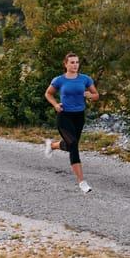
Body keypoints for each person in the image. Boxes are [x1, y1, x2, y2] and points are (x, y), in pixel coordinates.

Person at [44, 52, 99, 193]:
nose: (75, 65)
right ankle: (82, 182)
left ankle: (53, 145)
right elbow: (48, 93)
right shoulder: (59, 80)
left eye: (77, 62)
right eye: (72, 62)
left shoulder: (85, 79)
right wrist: (55, 105)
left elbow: (96, 95)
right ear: (66, 64)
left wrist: (90, 95)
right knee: (73, 145)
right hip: (64, 116)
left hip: (79, 116)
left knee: (70, 145)